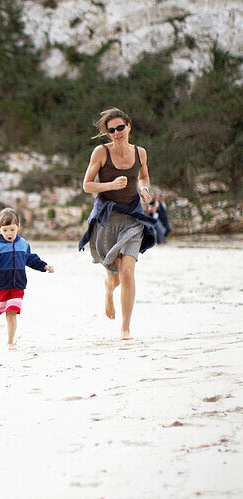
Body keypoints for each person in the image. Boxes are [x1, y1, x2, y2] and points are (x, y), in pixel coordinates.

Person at [79, 107, 156, 340]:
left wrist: (144, 190)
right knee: (114, 278)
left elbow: (143, 176)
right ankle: (108, 291)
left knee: (128, 272)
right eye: (111, 130)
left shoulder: (140, 152)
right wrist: (110, 185)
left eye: (120, 128)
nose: (116, 133)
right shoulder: (101, 153)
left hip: (132, 219)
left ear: (129, 127)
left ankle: (125, 328)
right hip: (107, 220)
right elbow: (87, 185)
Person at [0, 208, 54, 349]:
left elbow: (31, 259)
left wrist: (44, 266)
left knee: (11, 313)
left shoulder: (23, 244)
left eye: (12, 229)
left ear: (18, 227)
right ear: (0, 229)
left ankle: (10, 342)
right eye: (5, 230)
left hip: (17, 285)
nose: (9, 233)